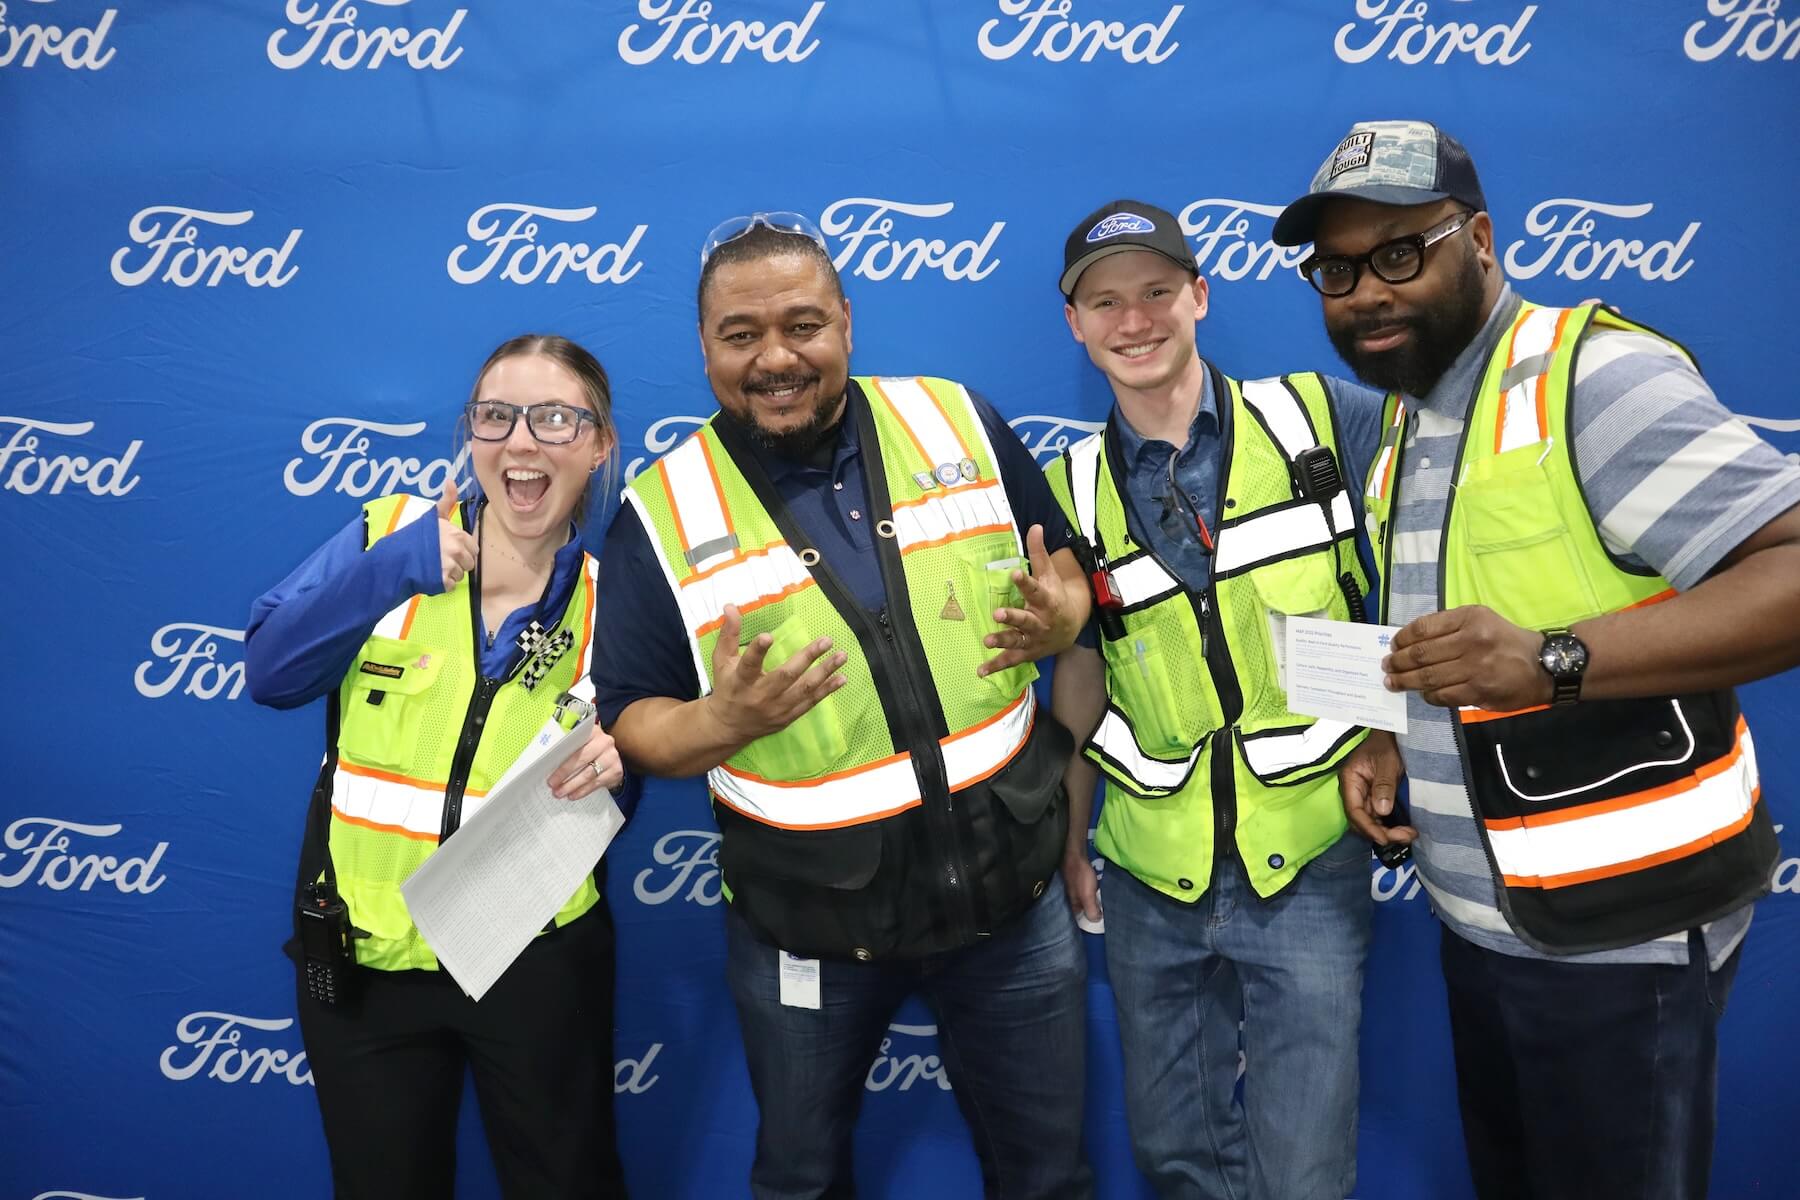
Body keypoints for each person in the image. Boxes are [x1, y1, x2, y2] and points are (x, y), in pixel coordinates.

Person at [1272, 120, 1800, 1200]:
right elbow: (1460, 636)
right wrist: (1391, 734)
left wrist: (1555, 660)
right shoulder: (1415, 419)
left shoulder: (1593, 378)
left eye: (1400, 254)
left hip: (1626, 939)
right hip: (1495, 927)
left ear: (1479, 238)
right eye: (1336, 270)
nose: (1366, 291)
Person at [592, 213, 1094, 1199]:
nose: (776, 357)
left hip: (1013, 904)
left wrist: (1067, 613)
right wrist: (717, 725)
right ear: (704, 348)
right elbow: (632, 718)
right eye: (741, 335)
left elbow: (1066, 566)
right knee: (801, 1178)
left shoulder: (959, 422)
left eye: (803, 325)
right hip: (807, 931)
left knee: (1047, 1177)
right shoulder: (662, 509)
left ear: (848, 325)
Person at [1044, 200, 1387, 1200]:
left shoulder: (1325, 418)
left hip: (1310, 857)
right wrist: (1071, 836)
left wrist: (1394, 732)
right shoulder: (1064, 486)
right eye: (1104, 302)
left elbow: (1418, 570)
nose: (1134, 320)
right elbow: (1079, 672)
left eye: (1156, 292)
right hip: (1151, 874)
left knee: (1302, 1171)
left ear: (1200, 294)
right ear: (1075, 324)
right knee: (1177, 1162)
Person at [245, 334, 633, 1199]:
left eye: (555, 418)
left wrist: (622, 762)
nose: (522, 442)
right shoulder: (389, 534)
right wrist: (394, 572)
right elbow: (271, 674)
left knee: (569, 1183)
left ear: (600, 443)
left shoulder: (621, 597)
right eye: (497, 417)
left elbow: (650, 746)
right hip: (367, 959)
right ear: (469, 434)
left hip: (532, 955)